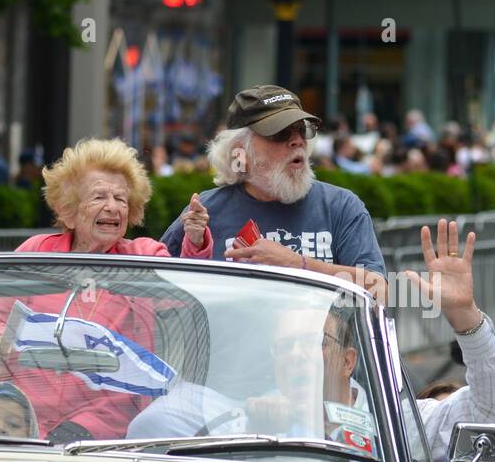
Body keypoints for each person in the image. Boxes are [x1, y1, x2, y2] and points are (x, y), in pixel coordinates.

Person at [130, 220, 495, 462]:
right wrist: (257, 430)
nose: (297, 355)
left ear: (347, 360)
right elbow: (152, 426)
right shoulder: (246, 417)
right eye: (285, 347)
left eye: (313, 342)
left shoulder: (396, 423)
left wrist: (464, 316)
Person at [0, 137, 213, 443]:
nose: (113, 207)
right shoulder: (36, 252)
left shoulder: (142, 256)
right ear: (69, 210)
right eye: (99, 197)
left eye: (121, 199)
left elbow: (185, 292)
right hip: (23, 409)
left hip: (105, 415)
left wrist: (195, 243)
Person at [160, 85, 387, 302]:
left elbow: (380, 292)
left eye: (302, 130)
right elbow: (153, 292)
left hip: (319, 343)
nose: (297, 141)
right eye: (280, 133)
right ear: (240, 152)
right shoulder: (205, 213)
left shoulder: (341, 206)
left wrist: (297, 264)